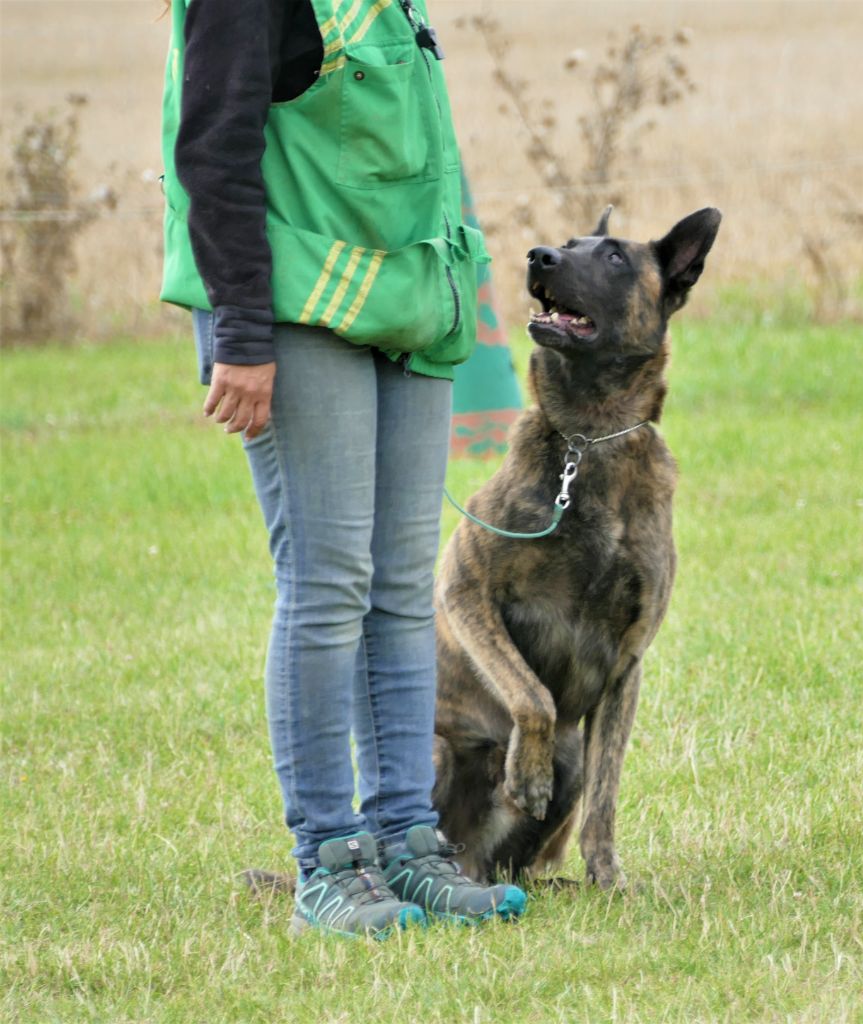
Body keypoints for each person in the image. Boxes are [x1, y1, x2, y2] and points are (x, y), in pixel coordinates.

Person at [159, 0, 527, 939]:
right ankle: (328, 862)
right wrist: (240, 332)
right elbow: (213, 148)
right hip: (291, 303)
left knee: (402, 590)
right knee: (327, 588)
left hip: (406, 305)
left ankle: (409, 846)